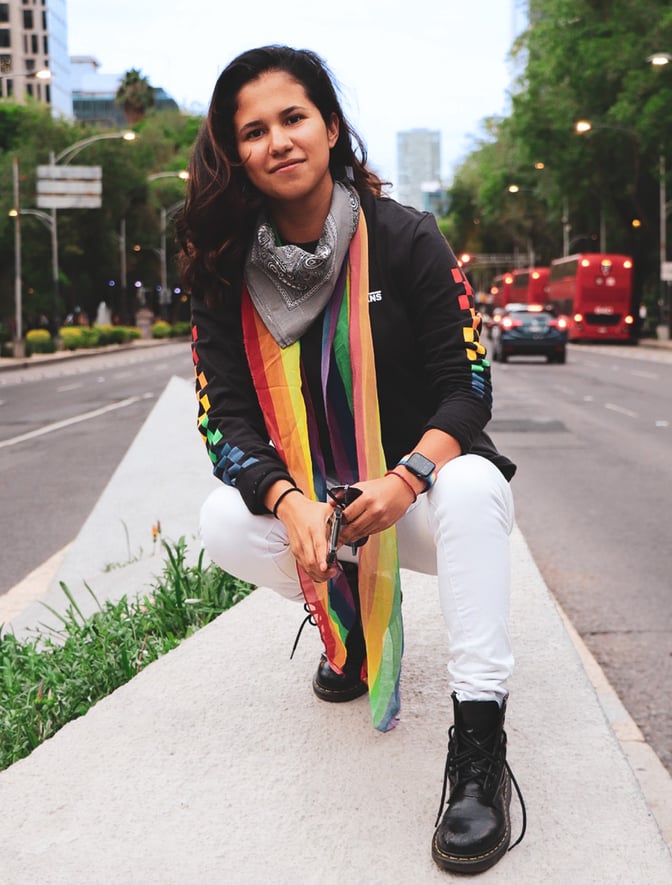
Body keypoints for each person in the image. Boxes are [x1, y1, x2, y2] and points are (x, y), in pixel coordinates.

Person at [176, 45, 525, 875]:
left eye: (293, 118)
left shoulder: (405, 237)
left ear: (330, 127)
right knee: (224, 519)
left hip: (417, 499)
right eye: (253, 131)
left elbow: (467, 386)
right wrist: (289, 500)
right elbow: (222, 419)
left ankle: (479, 746)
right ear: (238, 157)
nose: (278, 141)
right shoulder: (225, 271)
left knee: (473, 481)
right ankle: (356, 637)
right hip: (327, 509)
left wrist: (407, 479)